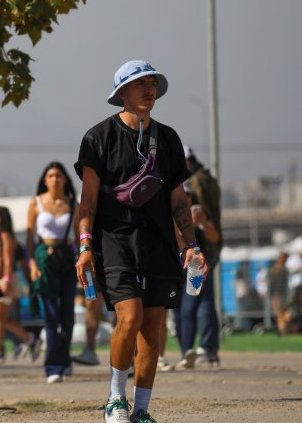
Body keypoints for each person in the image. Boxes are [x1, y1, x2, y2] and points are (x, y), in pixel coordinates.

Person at [74, 61, 206, 423]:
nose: (149, 90)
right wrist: (85, 247)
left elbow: (179, 199)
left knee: (152, 329)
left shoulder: (168, 139)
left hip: (160, 243)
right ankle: (115, 399)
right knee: (128, 318)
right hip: (113, 240)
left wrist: (191, 245)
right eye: (139, 84)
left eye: (152, 84)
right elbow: (87, 200)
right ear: (121, 93)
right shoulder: (97, 137)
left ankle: (142, 411)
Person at [0, 185, 40, 365]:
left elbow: (8, 261)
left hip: (6, 280)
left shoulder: (6, 237)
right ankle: (27, 339)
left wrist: (6, 280)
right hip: (1, 280)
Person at [26, 162, 78, 384]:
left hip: (66, 257)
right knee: (51, 315)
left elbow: (78, 235)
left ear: (65, 179)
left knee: (67, 315)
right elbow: (29, 238)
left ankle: (65, 360)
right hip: (44, 259)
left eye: (59, 175)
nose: (55, 179)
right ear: (45, 180)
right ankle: (52, 366)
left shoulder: (72, 204)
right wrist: (32, 264)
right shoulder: (36, 202)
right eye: (51, 175)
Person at [177, 204, 221, 368]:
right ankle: (185, 351)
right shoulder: (171, 212)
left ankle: (190, 350)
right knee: (177, 313)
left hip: (194, 268)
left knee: (189, 309)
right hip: (174, 267)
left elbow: (215, 238)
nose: (185, 198)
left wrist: (202, 223)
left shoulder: (199, 213)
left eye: (188, 195)